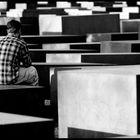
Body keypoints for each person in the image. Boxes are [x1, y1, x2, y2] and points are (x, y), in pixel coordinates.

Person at [0, 19, 39, 86]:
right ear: (19, 31)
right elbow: (27, 64)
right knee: (33, 71)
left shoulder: (0, 41)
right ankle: (33, 94)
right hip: (11, 78)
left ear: (7, 31)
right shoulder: (21, 43)